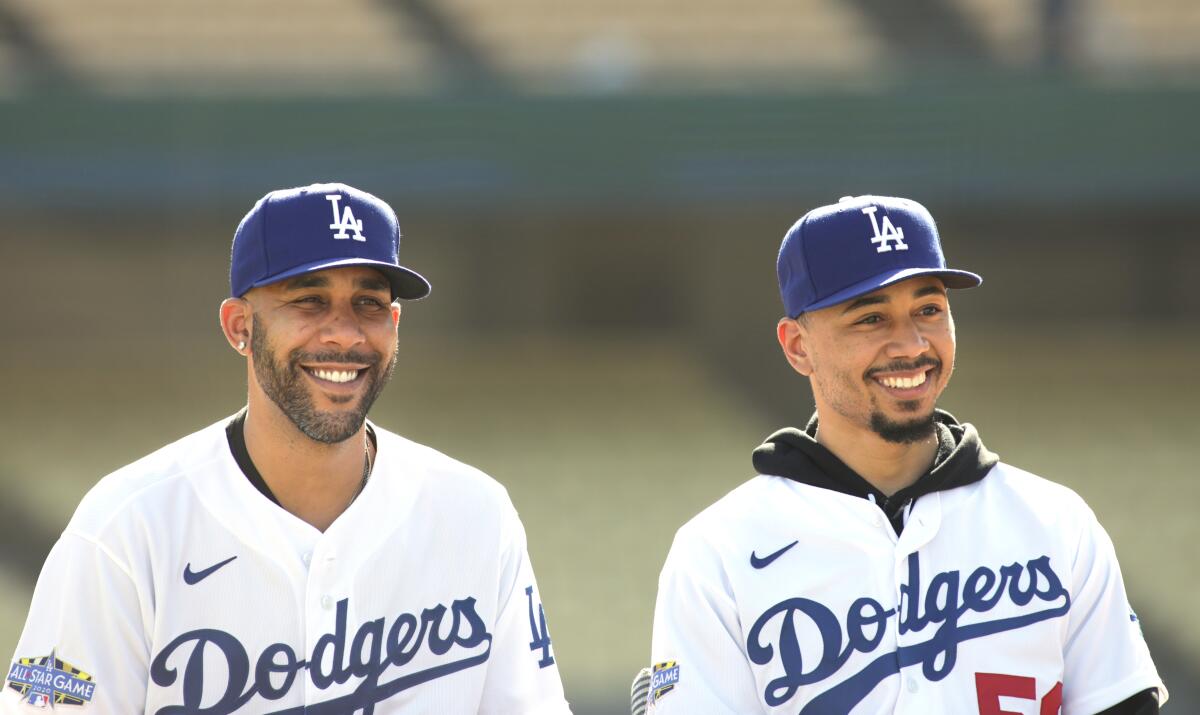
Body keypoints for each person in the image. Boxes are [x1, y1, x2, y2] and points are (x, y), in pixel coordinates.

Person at [5, 183, 571, 714]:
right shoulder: (128, 527)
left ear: (395, 323)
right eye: (308, 300)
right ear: (239, 326)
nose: (344, 333)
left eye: (369, 304)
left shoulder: (475, 515)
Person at [646, 195, 1167, 714]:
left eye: (929, 309)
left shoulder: (1056, 523)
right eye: (871, 318)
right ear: (797, 346)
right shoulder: (716, 553)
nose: (911, 343)